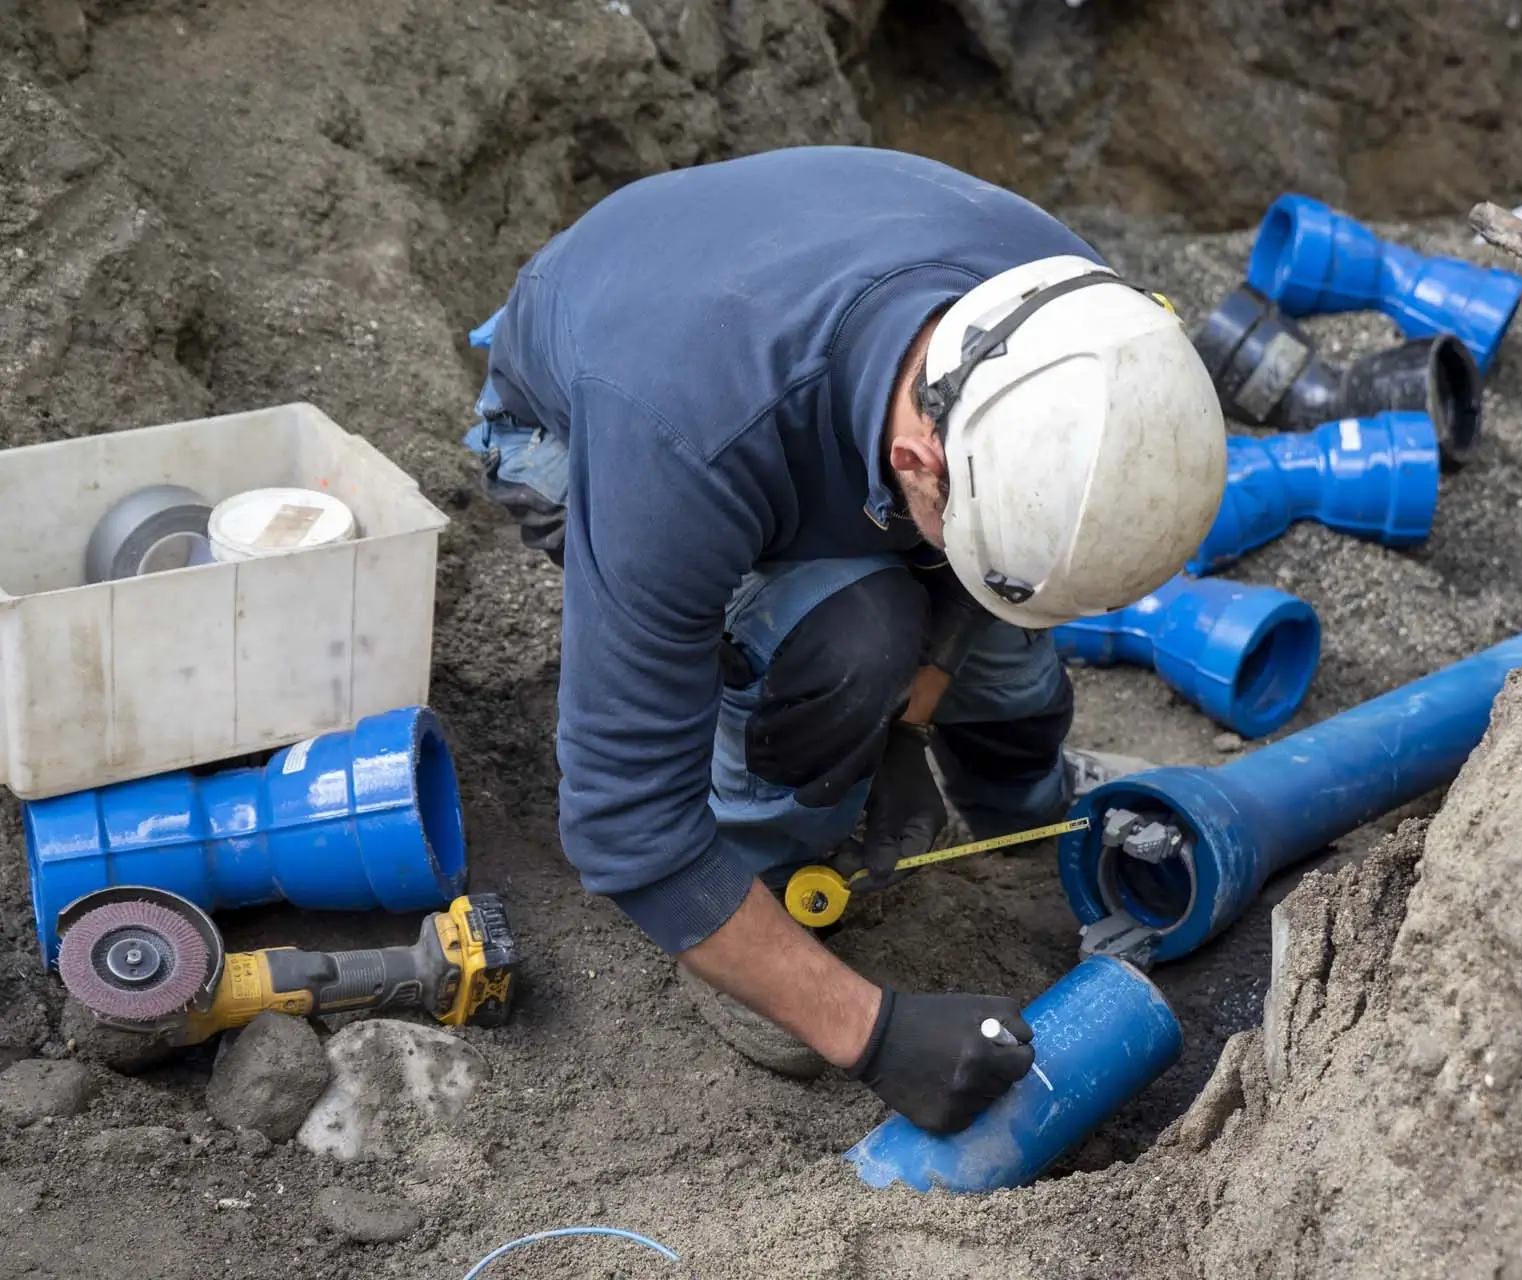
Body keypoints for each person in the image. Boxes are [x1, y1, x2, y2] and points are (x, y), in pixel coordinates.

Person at [463, 145, 1225, 1135]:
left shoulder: (1073, 331)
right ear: (917, 459)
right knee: (846, 640)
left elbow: (979, 567)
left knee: (1003, 670)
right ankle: (759, 874)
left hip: (791, 364)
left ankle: (1022, 813)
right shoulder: (683, 441)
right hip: (577, 426)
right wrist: (871, 1031)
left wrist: (917, 713)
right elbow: (624, 830)